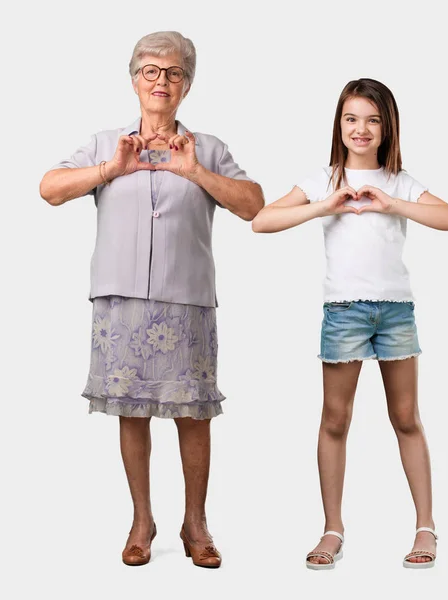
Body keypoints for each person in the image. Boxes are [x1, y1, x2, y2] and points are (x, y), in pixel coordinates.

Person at [40, 31, 264, 568]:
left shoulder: (206, 148)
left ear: (186, 85)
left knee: (193, 414)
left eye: (173, 73)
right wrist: (109, 171)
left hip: (186, 300)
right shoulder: (104, 144)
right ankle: (142, 521)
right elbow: (49, 187)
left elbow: (254, 204)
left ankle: (196, 523)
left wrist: (196, 173)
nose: (161, 81)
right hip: (120, 301)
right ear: (135, 79)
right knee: (131, 412)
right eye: (151, 71)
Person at [252, 78, 448, 570]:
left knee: (406, 417)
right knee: (335, 419)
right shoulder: (322, 180)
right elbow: (261, 220)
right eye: (351, 119)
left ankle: (425, 527)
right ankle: (332, 529)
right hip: (343, 311)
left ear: (387, 126)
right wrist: (327, 204)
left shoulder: (401, 181)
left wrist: (392, 203)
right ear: (339, 125)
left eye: (372, 119)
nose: (361, 129)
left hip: (395, 311)